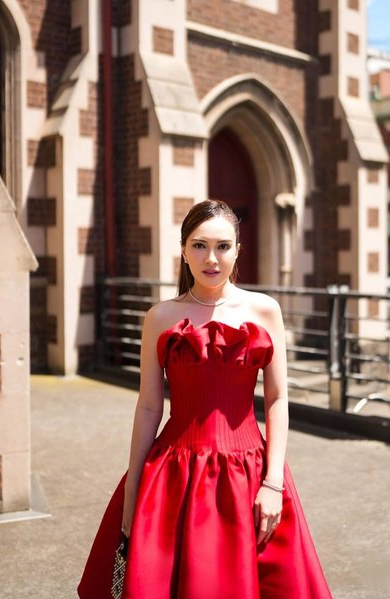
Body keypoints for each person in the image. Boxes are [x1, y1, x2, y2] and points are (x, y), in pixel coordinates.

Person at [78, 199, 333, 598]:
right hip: (173, 477)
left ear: (237, 250)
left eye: (223, 246)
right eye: (199, 245)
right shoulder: (160, 317)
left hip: (249, 476)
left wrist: (273, 482)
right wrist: (132, 490)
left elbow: (279, 398)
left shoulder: (265, 310)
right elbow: (148, 405)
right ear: (183, 249)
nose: (211, 258)